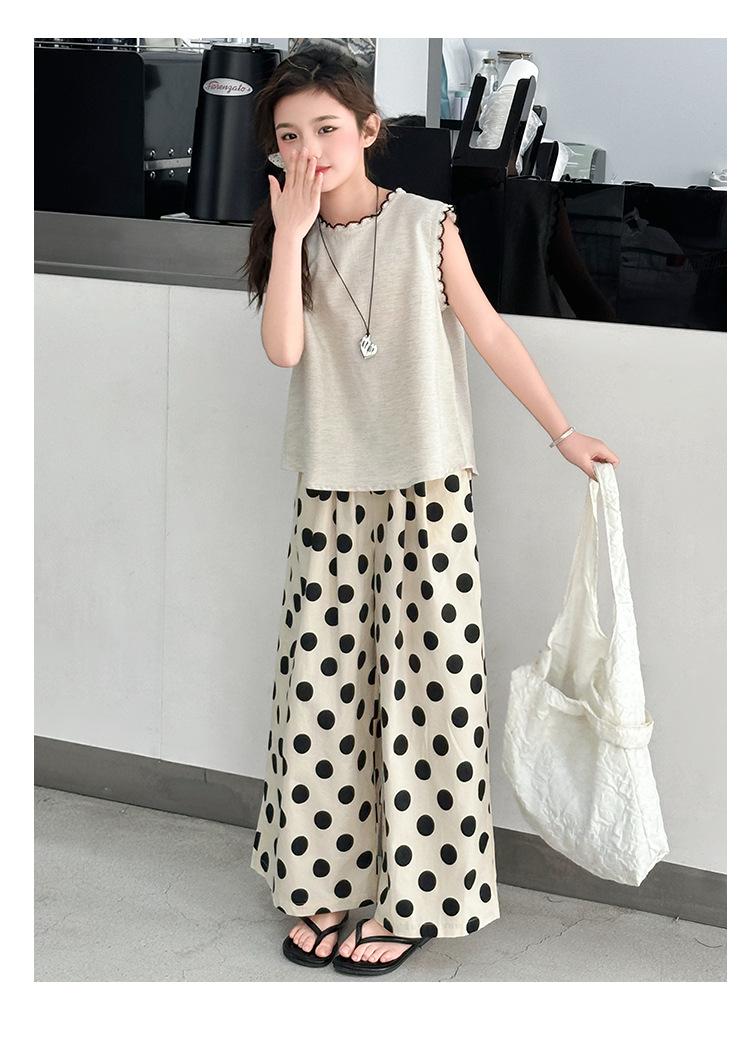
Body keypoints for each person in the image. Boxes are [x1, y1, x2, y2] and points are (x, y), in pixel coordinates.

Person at [243, 46, 619, 977]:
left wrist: (563, 431)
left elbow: (487, 329)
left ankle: (419, 898)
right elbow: (283, 351)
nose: (309, 149)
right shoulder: (287, 238)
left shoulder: (426, 223)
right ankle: (324, 880)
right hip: (331, 493)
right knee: (321, 695)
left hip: (428, 493)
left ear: (368, 130)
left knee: (429, 695)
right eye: (289, 136)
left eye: (327, 128)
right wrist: (288, 236)